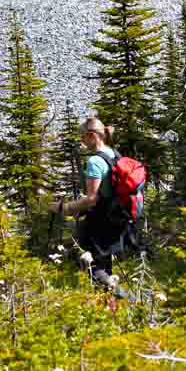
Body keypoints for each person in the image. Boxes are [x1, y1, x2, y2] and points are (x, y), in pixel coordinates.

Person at [57, 116, 136, 295]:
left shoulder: (94, 161)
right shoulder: (115, 154)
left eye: (83, 136)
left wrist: (65, 207)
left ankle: (130, 300)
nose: (82, 140)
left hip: (100, 223)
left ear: (92, 136)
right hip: (117, 219)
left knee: (94, 268)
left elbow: (92, 199)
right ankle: (110, 306)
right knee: (104, 264)